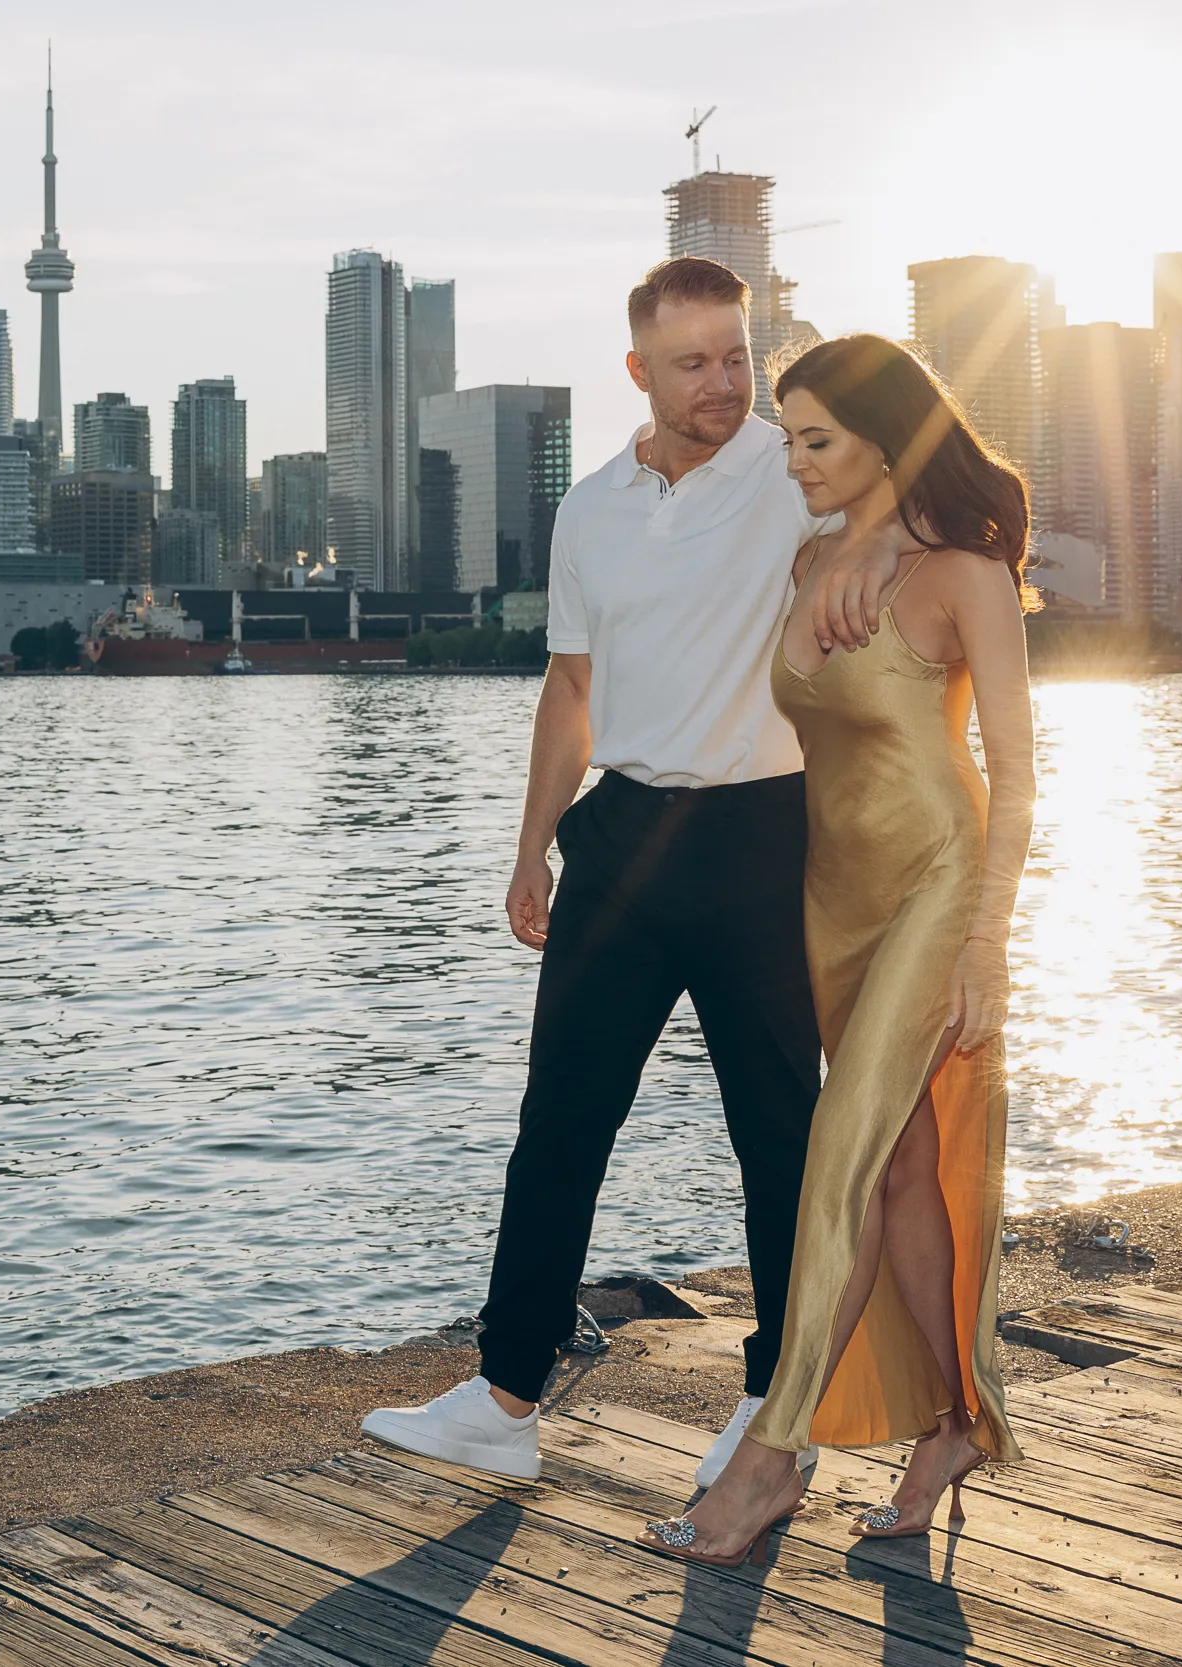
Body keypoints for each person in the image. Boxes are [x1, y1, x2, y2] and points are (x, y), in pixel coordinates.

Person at [360, 257, 891, 1485]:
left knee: (778, 1135)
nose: (721, 382)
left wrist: (862, 549)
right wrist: (531, 841)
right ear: (638, 371)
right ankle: (503, 1399)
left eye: (735, 355)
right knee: (560, 1124)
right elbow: (571, 684)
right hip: (619, 838)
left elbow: (911, 499)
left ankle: (779, 1407)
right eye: (692, 361)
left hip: (763, 835)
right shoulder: (590, 504)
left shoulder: (791, 470)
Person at [641, 333, 1034, 1565]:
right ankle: (957, 1419)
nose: (794, 458)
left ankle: (770, 1454)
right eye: (790, 436)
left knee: (841, 1156)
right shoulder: (812, 557)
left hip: (933, 886)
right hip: (832, 900)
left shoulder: (962, 572)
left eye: (816, 438)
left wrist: (985, 946)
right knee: (902, 1168)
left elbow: (1015, 780)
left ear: (885, 436)